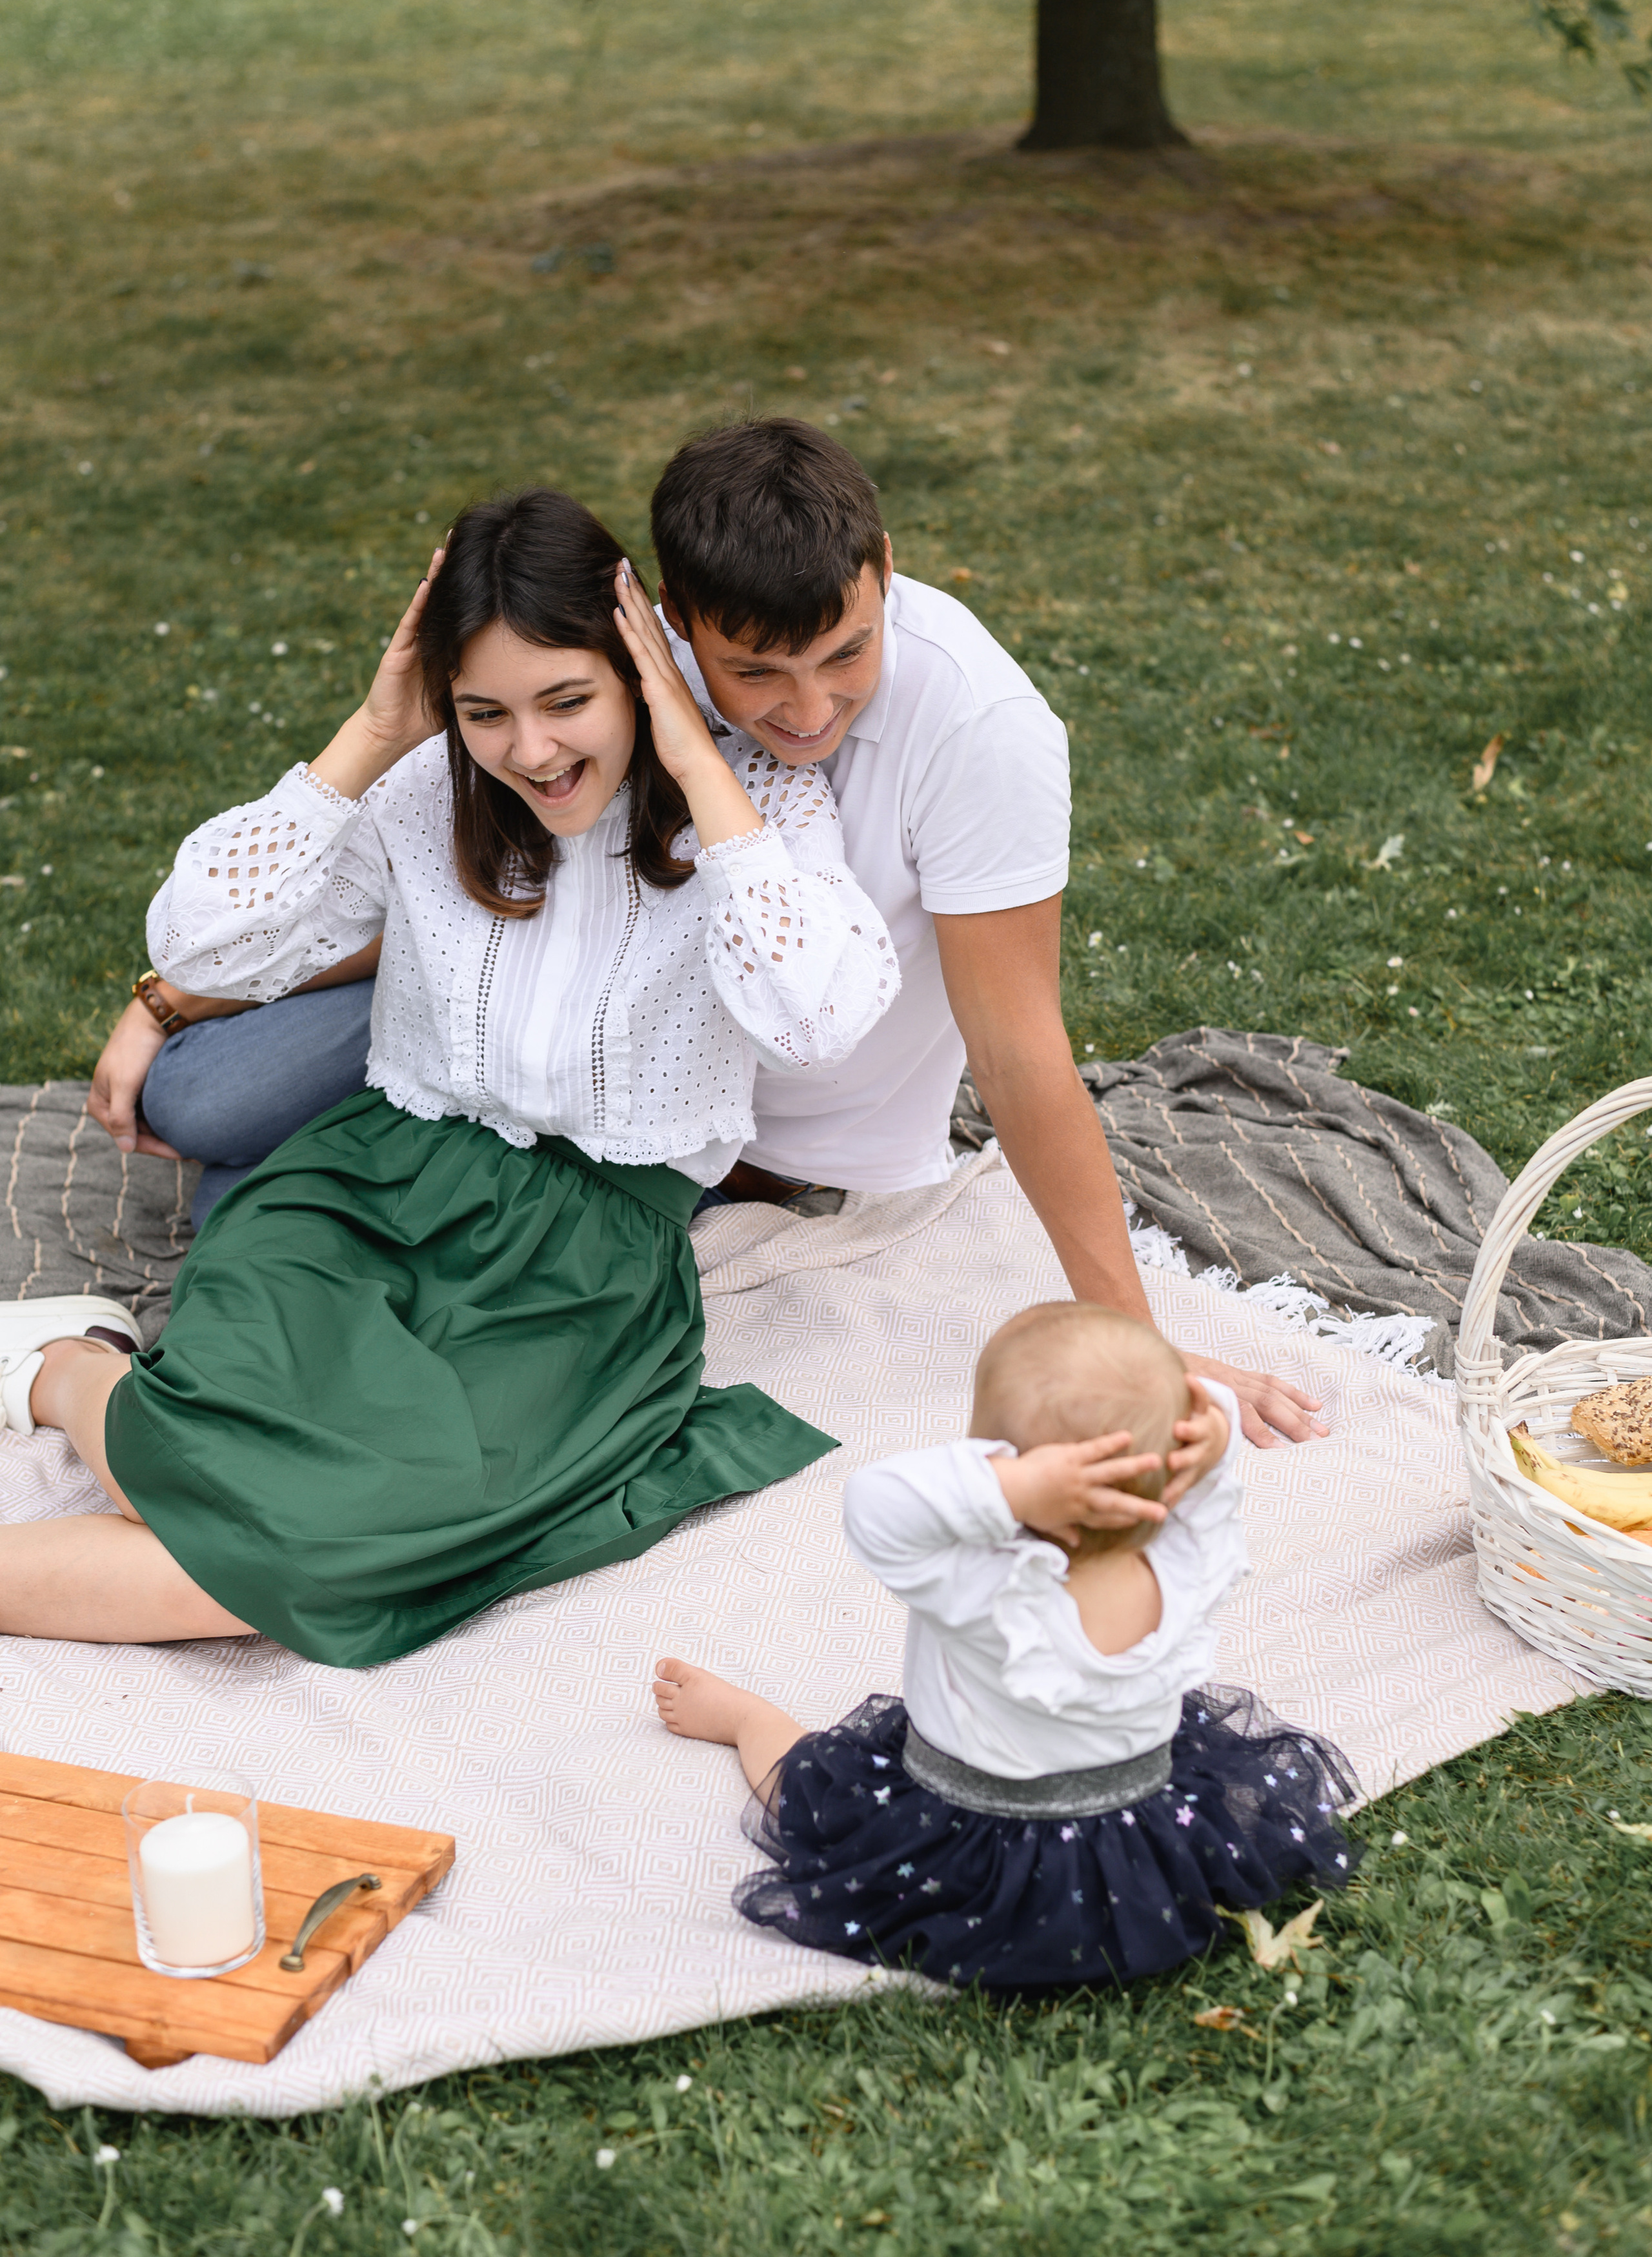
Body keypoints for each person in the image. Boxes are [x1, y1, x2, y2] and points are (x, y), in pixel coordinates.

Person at [86, 421, 1319, 1448]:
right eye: (758, 675)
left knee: (375, 1334)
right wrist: (176, 995)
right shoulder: (603, 678)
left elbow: (1016, 1047)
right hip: (494, 1065)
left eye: (849, 653)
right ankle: (261, 1255)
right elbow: (474, 892)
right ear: (676, 626)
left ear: (886, 569)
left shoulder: (970, 731)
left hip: (684, 1125)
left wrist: (1131, 1336)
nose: (810, 707)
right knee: (201, 1098)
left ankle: (246, 1280)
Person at [0, 490, 899, 1663]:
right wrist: (375, 735)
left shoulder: (753, 808)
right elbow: (200, 943)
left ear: (639, 672)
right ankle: (74, 1370)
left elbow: (822, 1015)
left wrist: (690, 750)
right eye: (487, 711)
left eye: (569, 699)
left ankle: (69, 1374)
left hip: (583, 1267)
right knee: (221, 1498)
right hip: (373, 1187)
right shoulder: (428, 790)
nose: (532, 749)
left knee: (311, 1543)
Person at [652, 1302, 1361, 1990]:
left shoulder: (978, 1579)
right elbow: (1204, 1427)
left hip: (969, 1845)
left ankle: (748, 1720)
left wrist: (1010, 1487)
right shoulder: (1186, 1545)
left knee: (813, 1790)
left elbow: (874, 1498)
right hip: (1139, 1839)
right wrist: (1210, 1433)